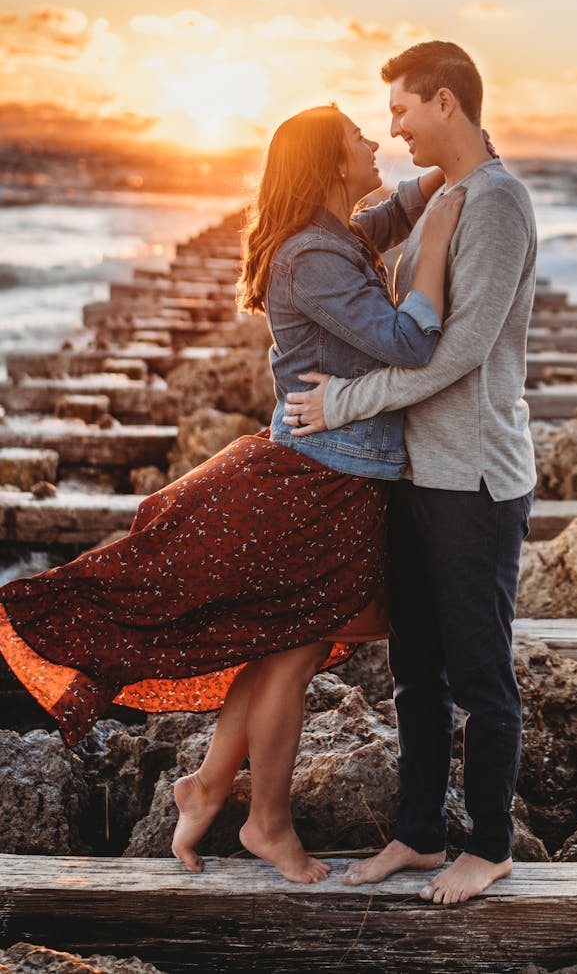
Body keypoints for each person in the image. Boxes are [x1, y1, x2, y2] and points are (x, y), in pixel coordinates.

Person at [0, 103, 465, 885]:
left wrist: (444, 174)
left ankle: (210, 785)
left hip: (334, 478)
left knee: (284, 644)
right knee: (293, 652)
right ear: (326, 164)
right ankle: (266, 824)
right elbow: (409, 342)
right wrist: (444, 239)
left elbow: (383, 220)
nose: (374, 143)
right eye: (358, 137)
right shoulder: (311, 258)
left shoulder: (332, 238)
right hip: (319, 482)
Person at [283, 42, 537, 905]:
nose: (390, 129)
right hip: (417, 473)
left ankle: (490, 845)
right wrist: (427, 194)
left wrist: (345, 401)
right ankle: (420, 835)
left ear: (444, 103)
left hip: (472, 476)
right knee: (414, 674)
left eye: (399, 110)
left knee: (479, 675)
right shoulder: (452, 195)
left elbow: (459, 351)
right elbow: (366, 230)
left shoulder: (497, 205)